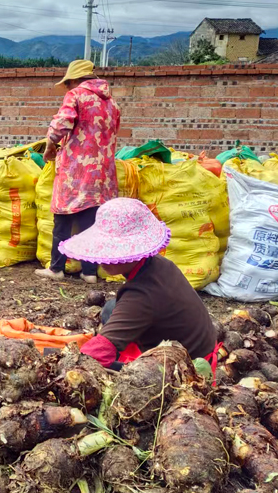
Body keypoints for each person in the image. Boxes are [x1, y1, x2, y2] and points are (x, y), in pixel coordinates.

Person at [59, 197, 216, 368]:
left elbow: (94, 356)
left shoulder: (141, 295)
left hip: (187, 366)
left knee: (89, 364)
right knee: (111, 308)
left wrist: (61, 362)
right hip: (199, 344)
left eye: (115, 247)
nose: (104, 256)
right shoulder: (158, 264)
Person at [35, 59, 121, 284]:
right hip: (103, 172)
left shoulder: (76, 95)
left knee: (62, 217)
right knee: (89, 221)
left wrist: (50, 145)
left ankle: (56, 268)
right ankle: (89, 272)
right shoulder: (112, 103)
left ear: (74, 79)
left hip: (77, 168)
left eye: (68, 83)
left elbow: (62, 123)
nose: (67, 87)